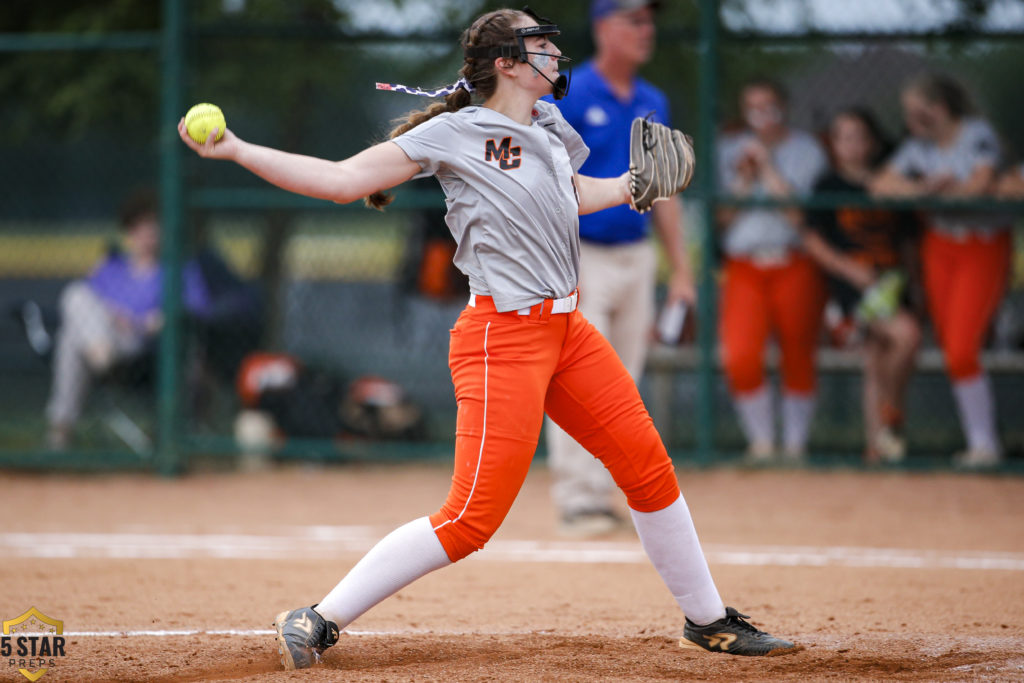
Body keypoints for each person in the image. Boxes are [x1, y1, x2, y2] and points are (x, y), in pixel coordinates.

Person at [178, 7, 801, 669]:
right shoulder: (456, 132)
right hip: (500, 338)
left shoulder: (551, 125)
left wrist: (630, 185)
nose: (554, 54)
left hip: (568, 330)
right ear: (506, 63)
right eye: (539, 45)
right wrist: (239, 149)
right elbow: (341, 181)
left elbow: (568, 195)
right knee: (471, 518)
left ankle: (708, 620)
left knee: (648, 469)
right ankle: (319, 616)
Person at [541, 0, 695, 537]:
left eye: (649, 20)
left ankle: (606, 494)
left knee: (623, 381)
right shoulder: (572, 91)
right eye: (633, 19)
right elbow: (548, 181)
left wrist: (681, 270)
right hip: (581, 254)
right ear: (604, 28)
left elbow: (666, 189)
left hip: (637, 254)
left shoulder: (652, 99)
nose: (645, 29)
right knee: (579, 379)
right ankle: (578, 498)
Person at [45, 189, 260, 449]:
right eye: (139, 227)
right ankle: (95, 368)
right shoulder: (112, 268)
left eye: (153, 226)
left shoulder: (179, 269)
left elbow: (194, 312)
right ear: (128, 231)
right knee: (75, 296)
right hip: (107, 340)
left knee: (70, 339)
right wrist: (112, 316)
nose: (147, 234)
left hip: (145, 348)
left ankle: (60, 431)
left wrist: (147, 321)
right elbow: (85, 307)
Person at [871, 73, 1012, 468]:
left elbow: (981, 185)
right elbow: (882, 184)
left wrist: (947, 190)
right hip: (940, 246)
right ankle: (981, 442)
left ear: (939, 109)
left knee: (963, 348)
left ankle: (985, 445)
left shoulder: (976, 133)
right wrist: (928, 190)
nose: (910, 121)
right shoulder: (920, 147)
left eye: (918, 112)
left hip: (981, 244)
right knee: (952, 345)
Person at [716, 78, 829, 463]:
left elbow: (800, 216)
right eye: (753, 106)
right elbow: (723, 218)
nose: (761, 114)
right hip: (745, 264)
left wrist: (767, 167)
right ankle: (762, 445)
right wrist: (745, 179)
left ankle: (795, 446)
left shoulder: (806, 150)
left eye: (768, 105)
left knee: (798, 350)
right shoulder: (729, 149)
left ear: (783, 106)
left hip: (793, 261)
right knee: (740, 355)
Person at [802, 108, 922, 464]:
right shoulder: (828, 185)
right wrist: (849, 270)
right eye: (844, 137)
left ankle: (877, 448)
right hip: (855, 288)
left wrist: (916, 284)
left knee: (877, 359)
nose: (852, 145)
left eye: (859, 136)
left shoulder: (891, 181)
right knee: (907, 335)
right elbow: (813, 239)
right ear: (834, 144)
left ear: (872, 142)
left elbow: (908, 241)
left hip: (892, 280)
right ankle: (892, 414)